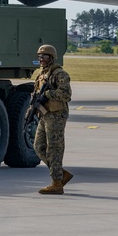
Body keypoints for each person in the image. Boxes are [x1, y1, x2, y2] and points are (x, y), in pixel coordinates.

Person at [26, 44, 73, 195]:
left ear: (51, 58)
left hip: (56, 115)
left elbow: (66, 94)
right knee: (39, 147)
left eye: (44, 56)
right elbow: (35, 94)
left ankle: (57, 183)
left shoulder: (60, 74)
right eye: (39, 56)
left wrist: (48, 95)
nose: (41, 59)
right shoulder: (41, 75)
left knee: (54, 148)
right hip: (45, 115)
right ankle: (61, 174)